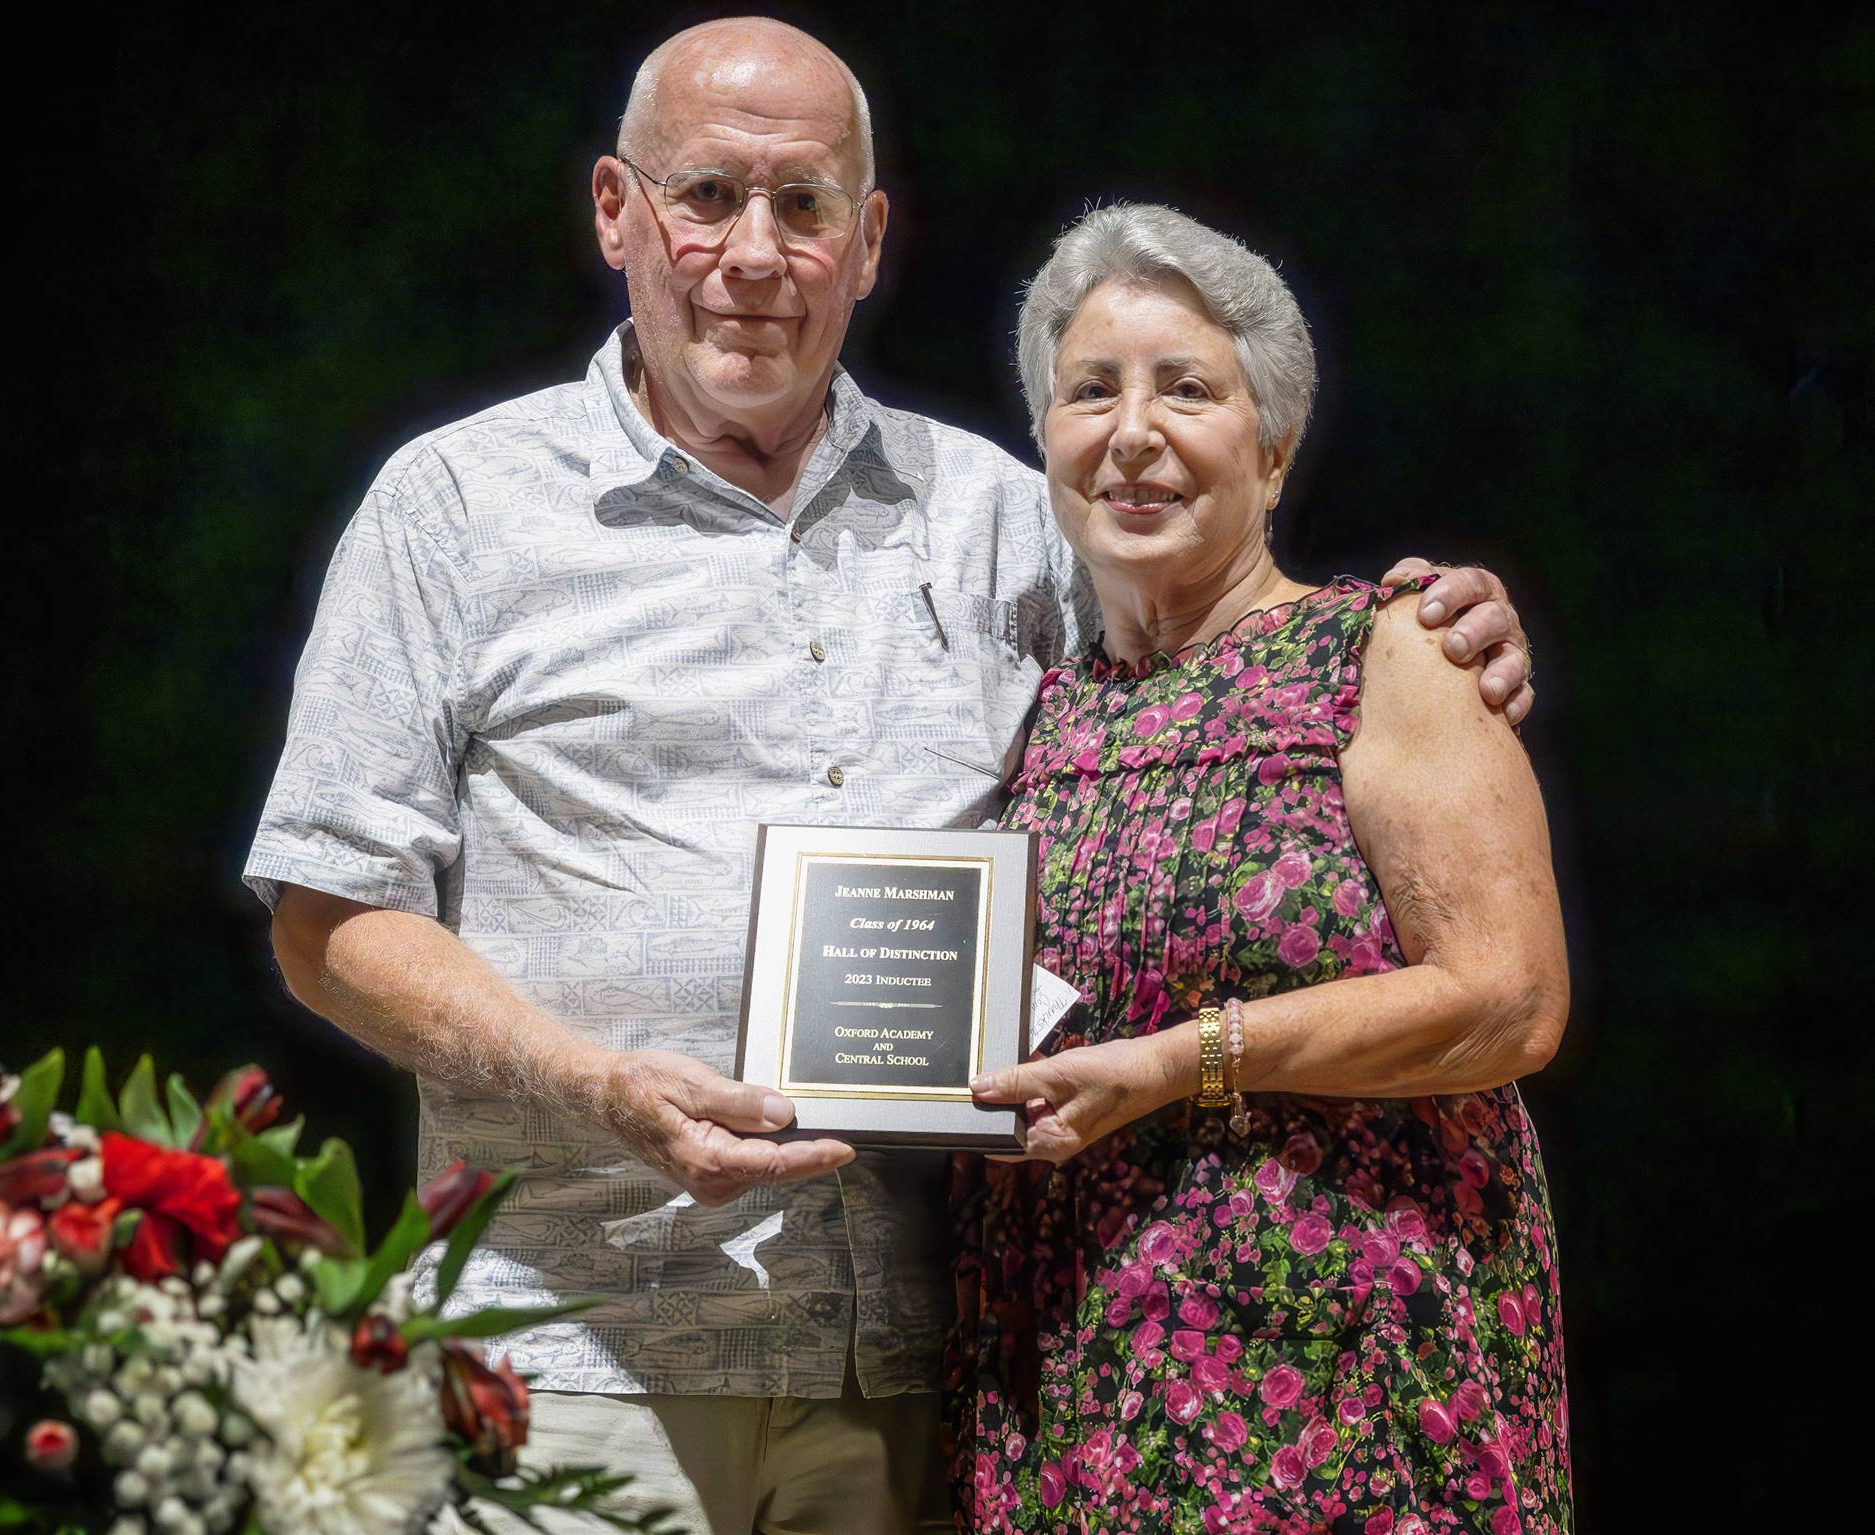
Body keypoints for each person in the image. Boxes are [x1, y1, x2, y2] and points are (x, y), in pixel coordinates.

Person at [244, 19, 1538, 1534]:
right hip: (573, 1352)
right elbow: (328, 917)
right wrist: (597, 1086)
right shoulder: (457, 505)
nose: (751, 252)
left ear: (866, 245)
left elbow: (1222, 675)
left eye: (803, 208)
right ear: (615, 213)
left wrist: (1433, 630)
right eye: (706, 195)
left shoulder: (1001, 517)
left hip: (917, 1365)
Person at [948, 204, 1570, 1535]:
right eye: (1089, 392)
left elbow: (1509, 1002)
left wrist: (1183, 1061)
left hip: (1357, 1379)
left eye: (1187, 389)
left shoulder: (1389, 654)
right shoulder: (1040, 716)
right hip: (1085, 1379)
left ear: (1273, 445)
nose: (1132, 433)